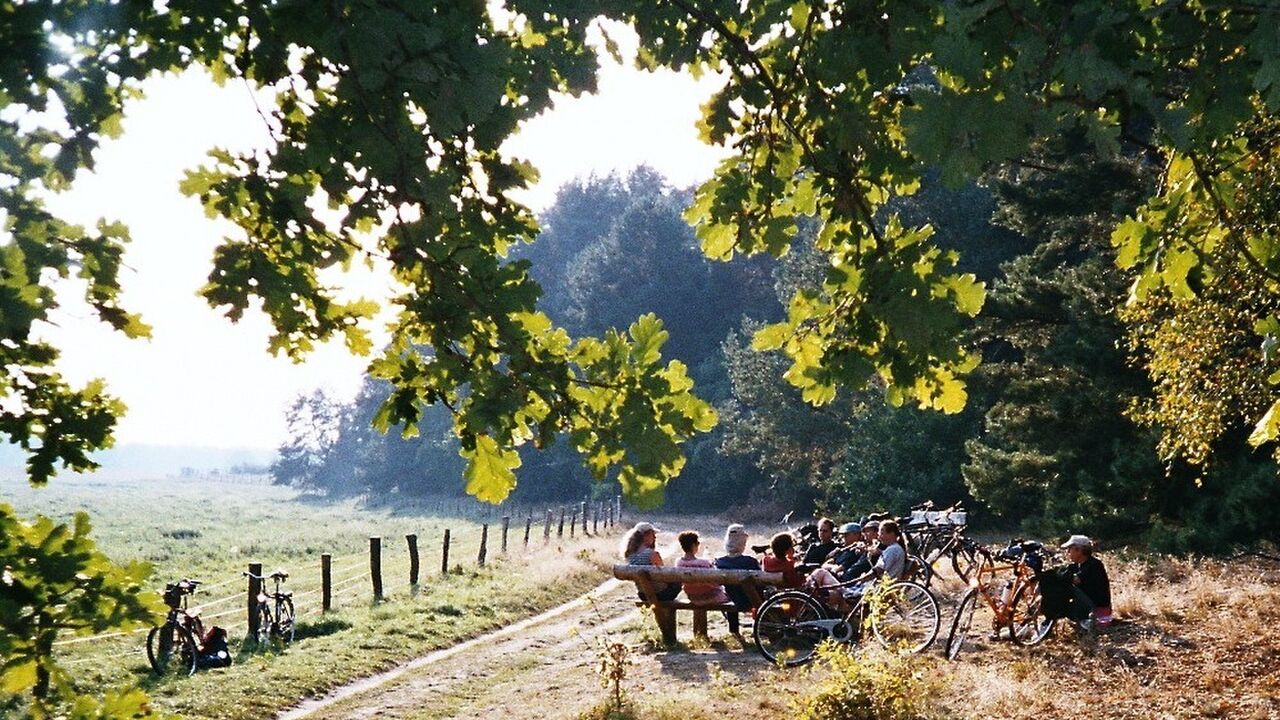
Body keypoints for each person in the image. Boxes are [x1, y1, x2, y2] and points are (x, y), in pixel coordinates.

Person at [1062, 534, 1113, 629]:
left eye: (1070, 549)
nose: (1068, 552)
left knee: (1068, 588)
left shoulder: (1094, 565)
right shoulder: (1078, 565)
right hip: (1091, 608)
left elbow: (1076, 580)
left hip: (1098, 615)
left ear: (1079, 550)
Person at [621, 521, 679, 602]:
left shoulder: (630, 555)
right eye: (653, 535)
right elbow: (665, 575)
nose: (655, 538)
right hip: (661, 594)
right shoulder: (652, 554)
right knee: (678, 582)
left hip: (643, 594)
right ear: (645, 536)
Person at [803, 522, 865, 590]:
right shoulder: (843, 550)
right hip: (834, 578)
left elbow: (839, 569)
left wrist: (834, 568)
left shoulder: (857, 551)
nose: (843, 537)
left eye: (846, 535)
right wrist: (833, 566)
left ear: (856, 535)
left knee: (820, 572)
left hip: (843, 583)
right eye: (843, 535)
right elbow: (826, 564)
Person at [676, 530, 731, 605]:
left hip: (693, 598)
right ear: (693, 545)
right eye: (698, 543)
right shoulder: (704, 563)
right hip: (713, 597)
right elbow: (717, 580)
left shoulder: (679, 563)